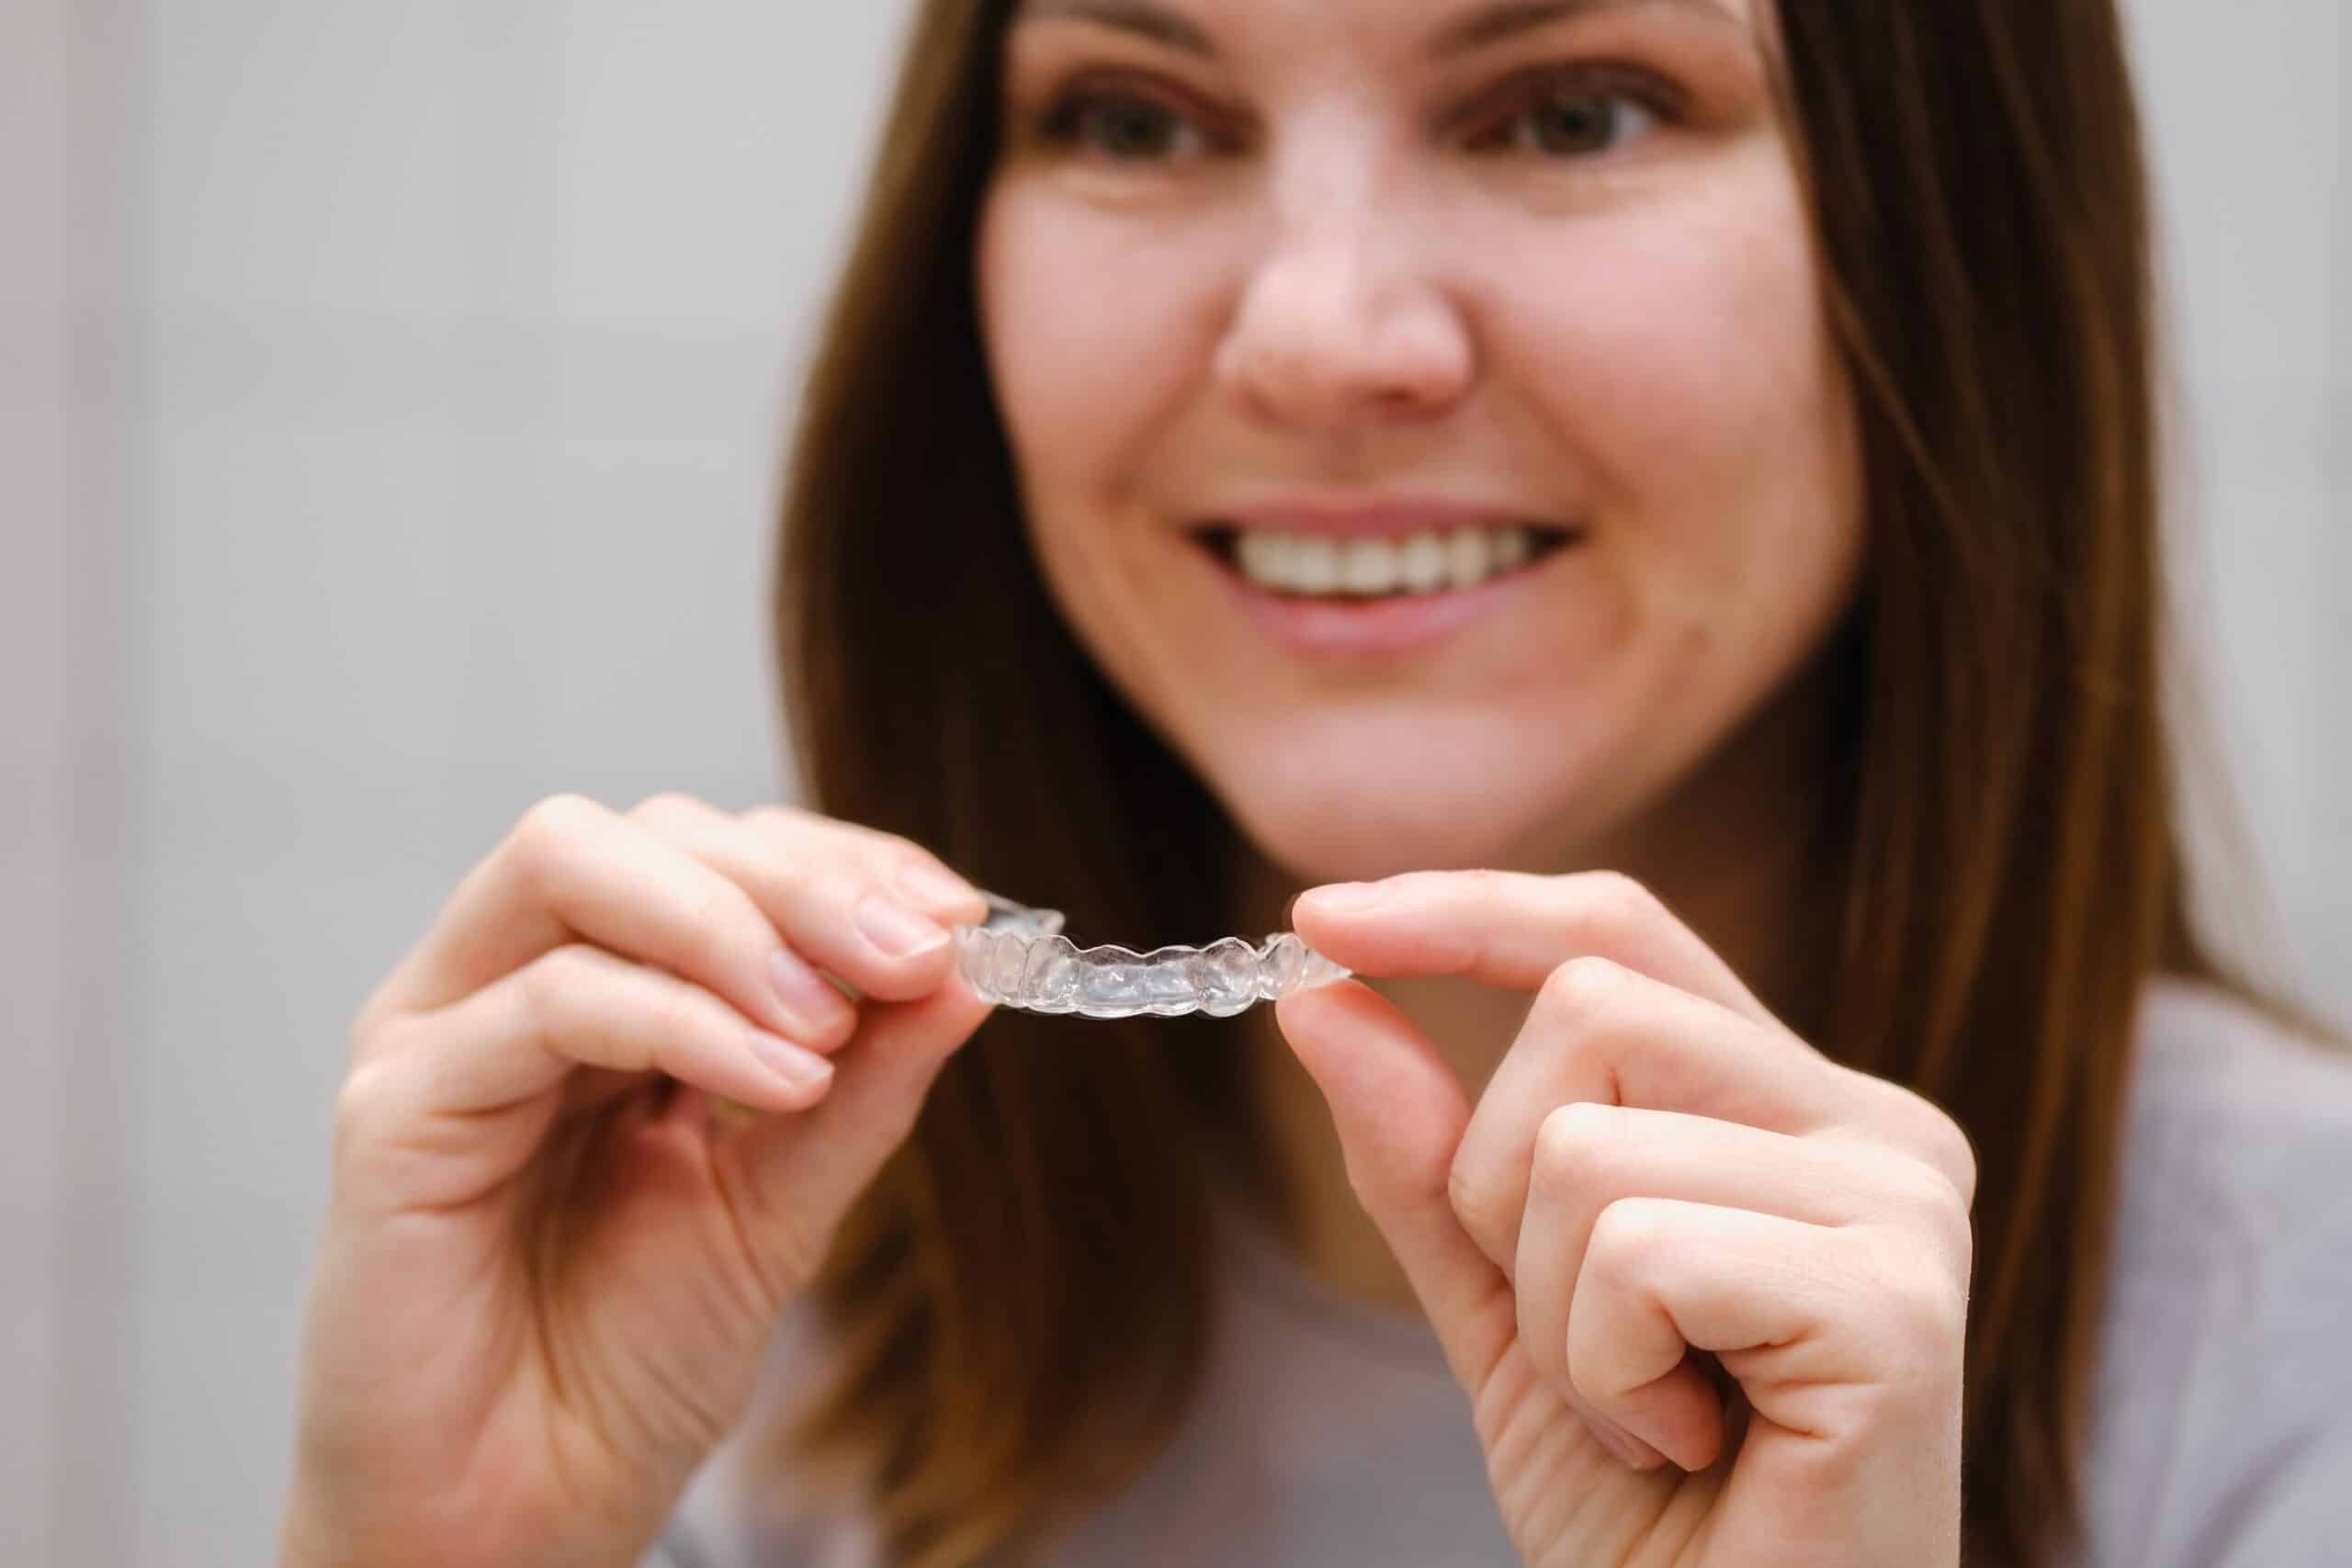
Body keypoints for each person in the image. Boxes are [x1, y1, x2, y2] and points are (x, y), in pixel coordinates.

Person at [277, 1, 2352, 1564]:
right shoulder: (743, 1284)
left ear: (1950, 253)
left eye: (1570, 108)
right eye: (1134, 115)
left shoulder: (2298, 1348)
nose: (1313, 333)